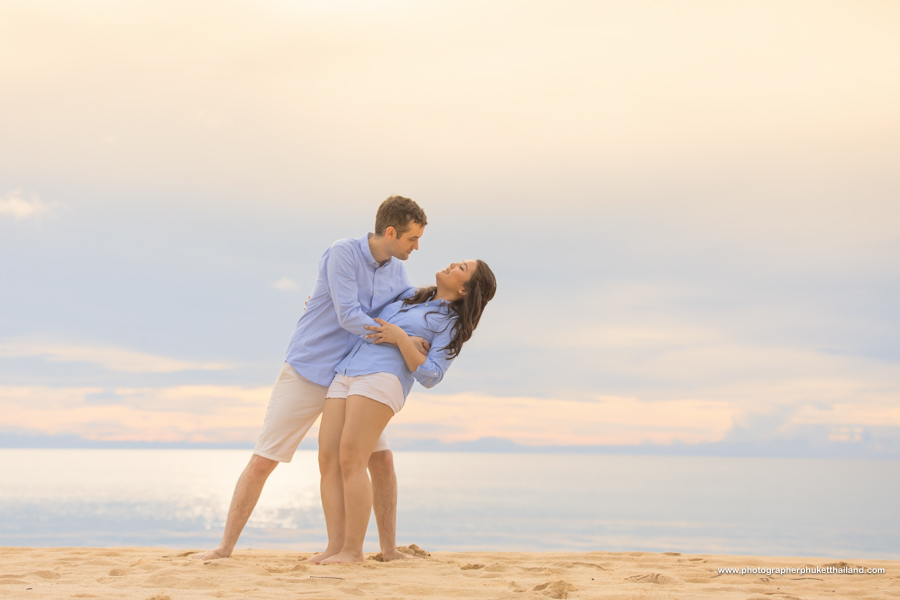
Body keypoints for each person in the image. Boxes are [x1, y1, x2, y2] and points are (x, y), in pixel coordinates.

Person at [193, 195, 429, 562]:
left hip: (353, 378)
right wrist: (397, 335)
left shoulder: (397, 271)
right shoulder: (343, 253)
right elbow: (349, 316)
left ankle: (389, 550)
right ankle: (223, 549)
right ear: (391, 232)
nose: (416, 247)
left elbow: (409, 304)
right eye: (412, 239)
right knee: (264, 460)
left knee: (381, 461)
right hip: (308, 369)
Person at [315, 258, 497, 564]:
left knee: (351, 457)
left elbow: (431, 375)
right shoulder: (408, 296)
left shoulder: (450, 323)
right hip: (347, 369)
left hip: (382, 377)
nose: (453, 264)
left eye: (461, 268)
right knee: (328, 457)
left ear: (465, 289)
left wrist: (400, 339)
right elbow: (364, 314)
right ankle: (334, 547)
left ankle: (352, 551)